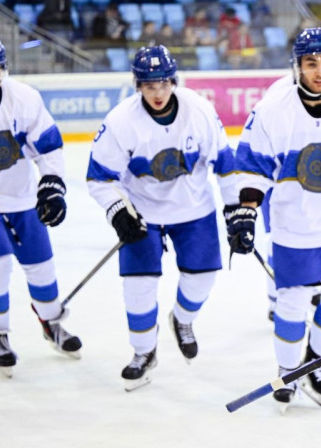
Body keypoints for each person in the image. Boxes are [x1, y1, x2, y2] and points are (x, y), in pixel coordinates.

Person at [225, 27, 321, 411]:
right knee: (292, 301)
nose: (320, 71)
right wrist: (246, 210)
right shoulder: (272, 109)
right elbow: (252, 167)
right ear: (296, 66)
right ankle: (287, 369)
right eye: (311, 63)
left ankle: (318, 363)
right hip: (294, 219)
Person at [86, 45, 237, 391]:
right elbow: (98, 177)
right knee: (139, 288)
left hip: (194, 209)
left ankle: (182, 320)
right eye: (149, 85)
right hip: (143, 214)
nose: (158, 92)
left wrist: (235, 211)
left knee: (201, 280)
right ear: (138, 85)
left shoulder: (198, 110)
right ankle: (143, 352)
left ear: (173, 80)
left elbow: (225, 165)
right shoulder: (120, 122)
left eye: (163, 83)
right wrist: (117, 210)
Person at [0, 33, 82, 378]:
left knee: (42, 267)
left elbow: (48, 146)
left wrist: (52, 185)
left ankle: (51, 323)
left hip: (20, 196)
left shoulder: (25, 98)